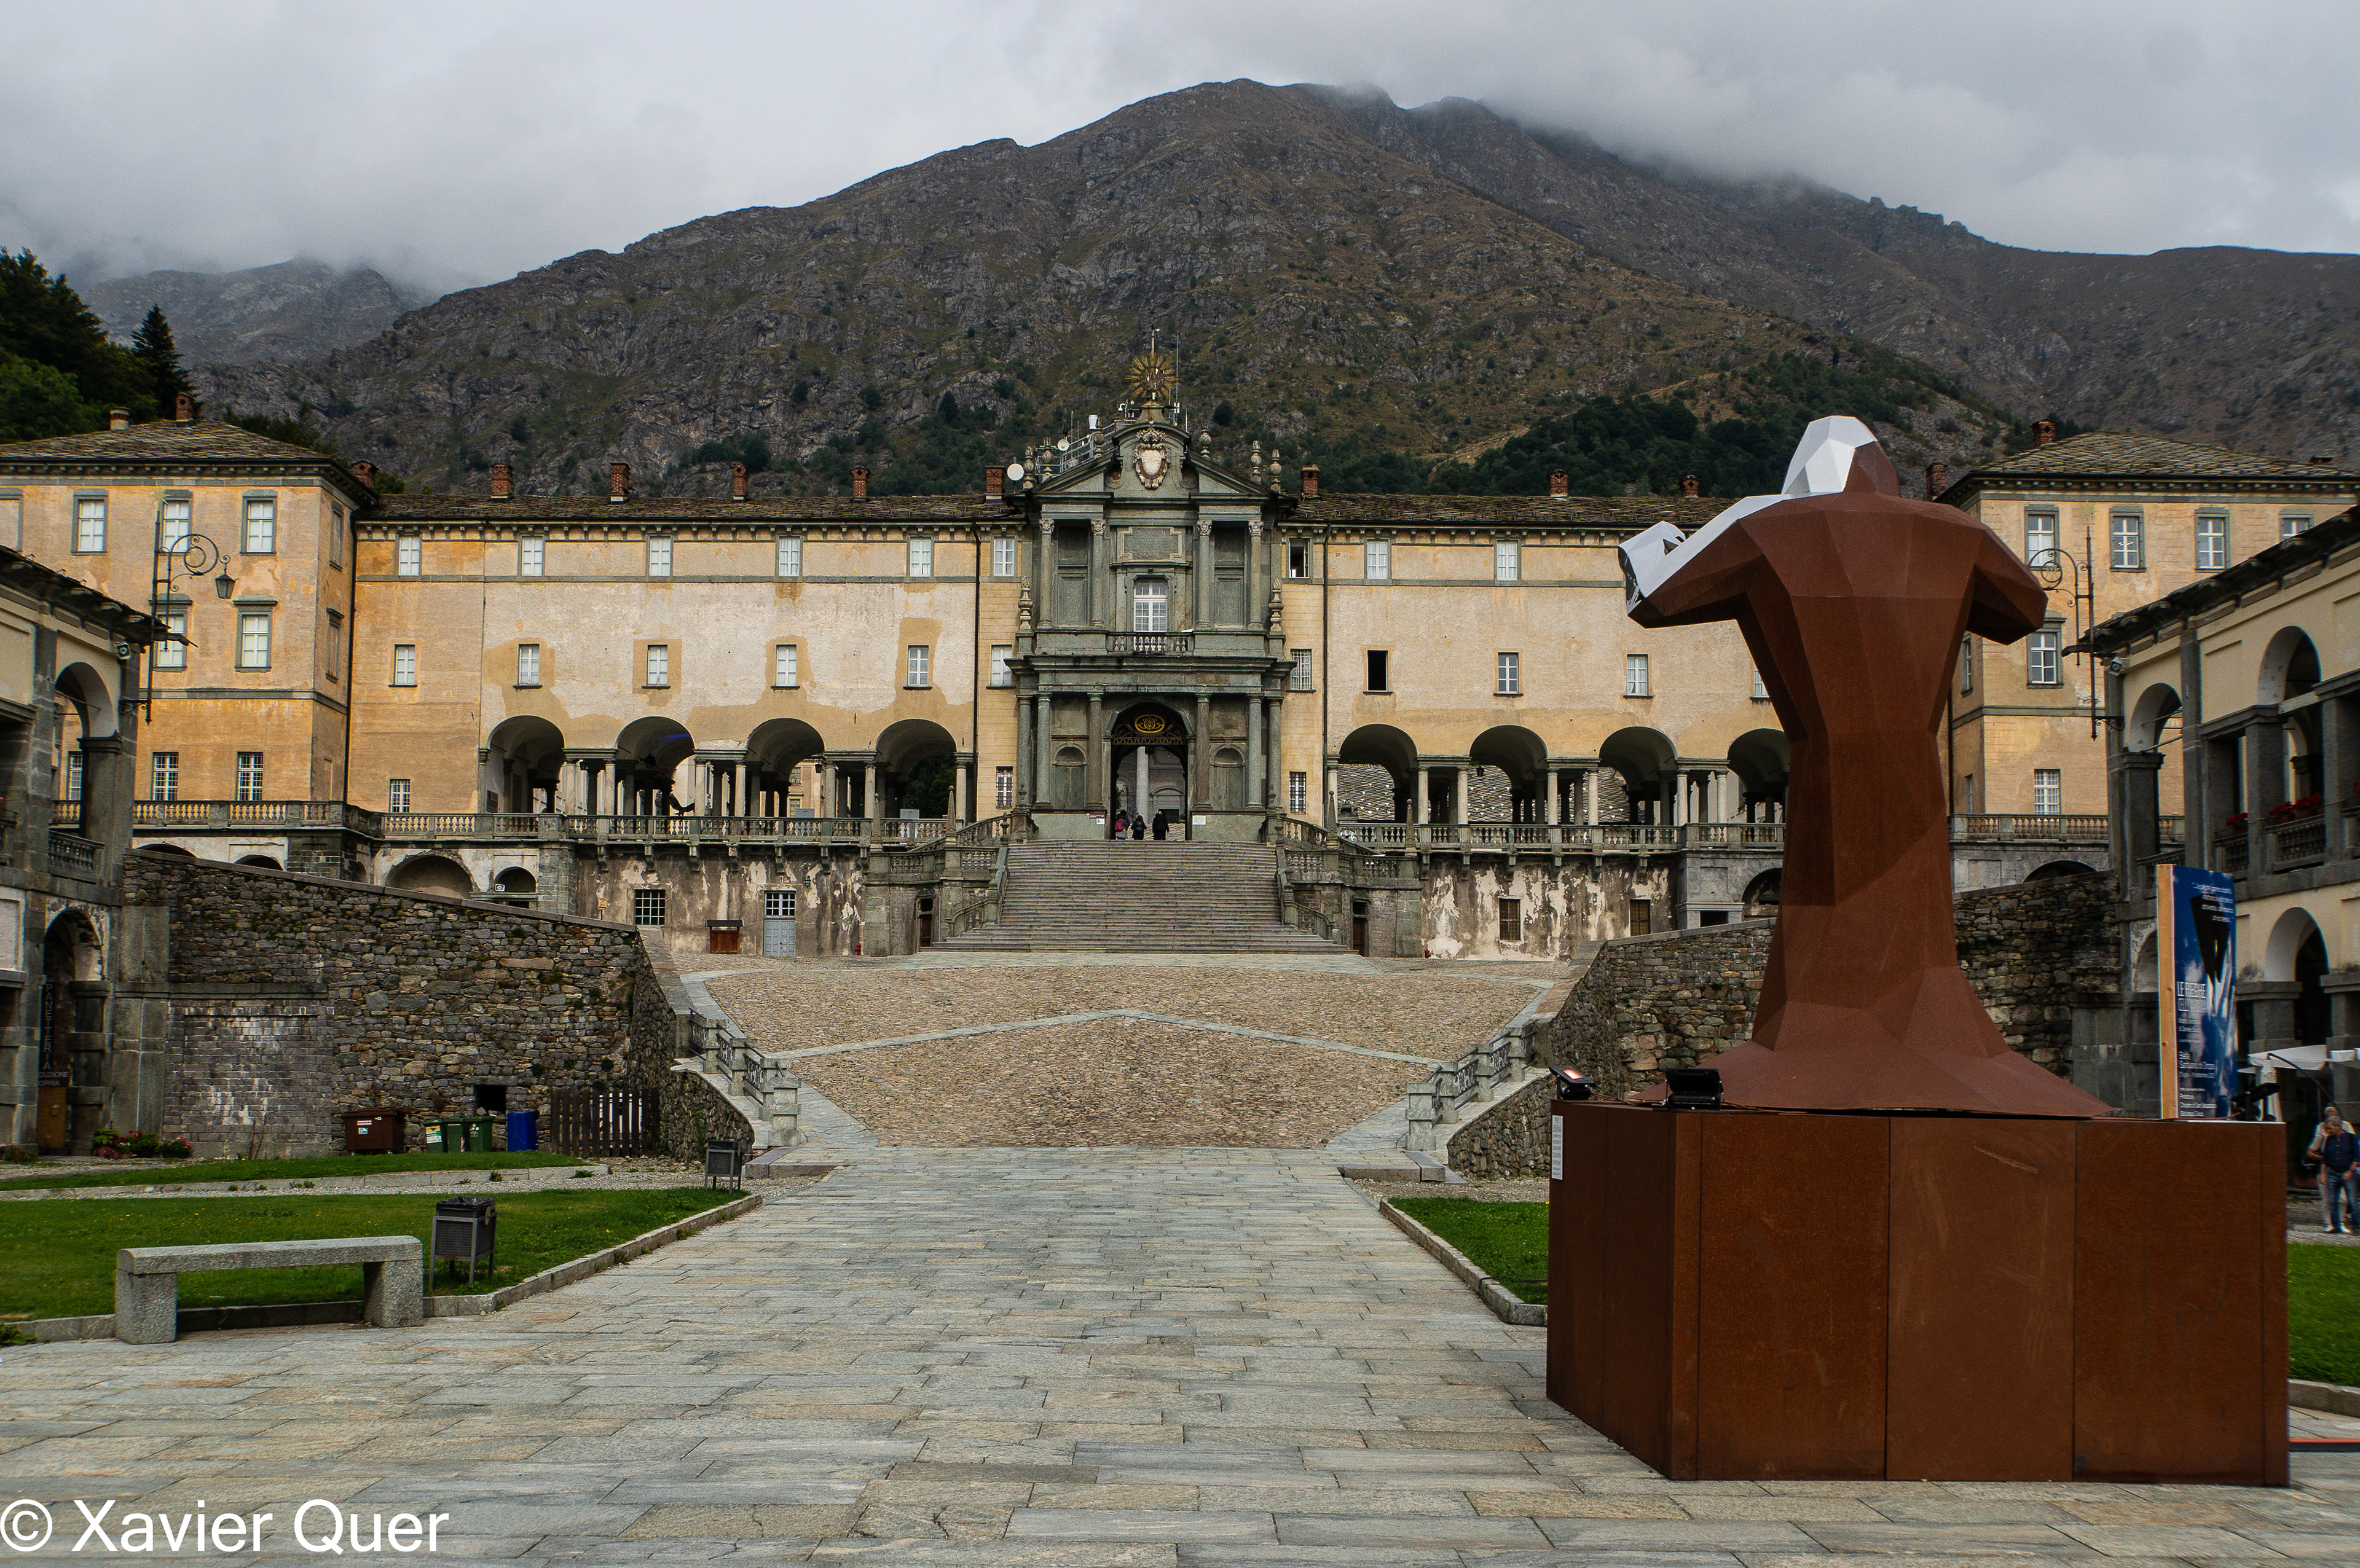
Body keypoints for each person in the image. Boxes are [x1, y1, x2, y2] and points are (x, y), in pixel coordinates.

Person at [2311, 1107, 2360, 1233]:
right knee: (2331, 1200)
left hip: (2347, 1172)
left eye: (2330, 1128)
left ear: (2338, 1125)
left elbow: (2356, 1157)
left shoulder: (2350, 1136)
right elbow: (2325, 1159)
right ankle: (2334, 1225)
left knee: (2351, 1200)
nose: (2328, 1130)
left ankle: (2356, 1226)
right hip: (2332, 1172)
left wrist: (2350, 1171)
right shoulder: (2328, 1138)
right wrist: (2323, 1174)